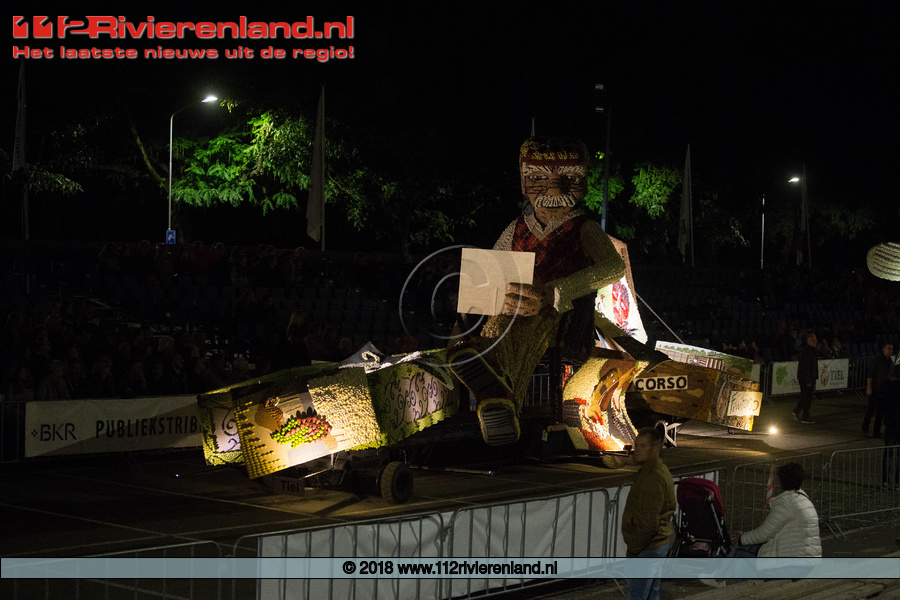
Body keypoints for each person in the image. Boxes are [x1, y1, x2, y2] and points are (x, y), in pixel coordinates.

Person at [449, 136, 625, 445]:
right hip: (511, 305)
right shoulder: (516, 227)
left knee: (525, 327)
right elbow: (493, 268)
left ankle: (502, 393)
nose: (554, 190)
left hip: (558, 313)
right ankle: (485, 379)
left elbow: (614, 267)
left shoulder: (584, 228)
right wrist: (484, 299)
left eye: (567, 178)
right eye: (540, 178)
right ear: (524, 181)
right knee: (470, 321)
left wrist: (555, 292)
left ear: (582, 182)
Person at [727, 462, 821, 578]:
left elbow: (764, 534)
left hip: (790, 564)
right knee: (748, 553)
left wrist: (741, 539)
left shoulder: (787, 503)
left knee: (740, 551)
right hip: (808, 562)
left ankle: (720, 578)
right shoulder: (805, 501)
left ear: (781, 481)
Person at [621, 427, 676, 600]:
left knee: (638, 595)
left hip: (647, 548)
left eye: (643, 446)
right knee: (651, 594)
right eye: (636, 445)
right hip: (655, 545)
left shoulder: (652, 477)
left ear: (654, 449)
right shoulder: (655, 472)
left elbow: (649, 521)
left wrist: (634, 547)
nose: (637, 450)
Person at [864, 342, 894, 438]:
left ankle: (876, 431)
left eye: (891, 349)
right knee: (871, 409)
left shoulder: (890, 361)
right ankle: (865, 425)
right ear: (883, 349)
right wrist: (869, 387)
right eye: (888, 348)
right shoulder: (877, 360)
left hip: (884, 389)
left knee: (880, 411)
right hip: (875, 388)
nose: (890, 351)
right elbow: (870, 374)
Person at [881, 364, 900, 490]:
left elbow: (883, 404)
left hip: (890, 423)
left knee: (888, 453)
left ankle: (885, 481)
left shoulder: (888, 387)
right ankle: (898, 482)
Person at [794, 333, 818, 423]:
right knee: (806, 397)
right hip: (806, 378)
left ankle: (799, 412)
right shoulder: (807, 351)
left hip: (808, 377)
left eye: (815, 340)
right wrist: (808, 379)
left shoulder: (810, 351)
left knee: (806, 396)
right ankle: (803, 415)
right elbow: (805, 367)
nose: (814, 342)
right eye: (812, 340)